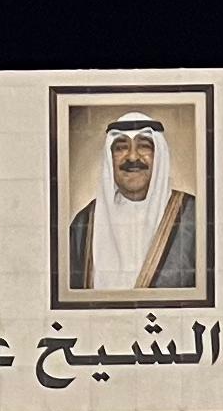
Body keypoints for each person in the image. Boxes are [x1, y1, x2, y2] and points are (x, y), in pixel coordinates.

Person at [65, 110, 198, 297]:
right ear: (109, 158)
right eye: (120, 148)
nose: (133, 157)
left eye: (144, 146)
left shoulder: (195, 216)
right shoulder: (83, 224)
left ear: (159, 155)